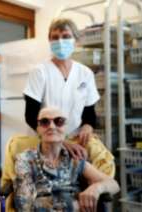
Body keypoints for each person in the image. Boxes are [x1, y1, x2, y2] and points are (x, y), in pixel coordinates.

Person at [14, 106, 119, 212]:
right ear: (38, 129)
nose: (52, 126)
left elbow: (113, 184)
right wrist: (73, 206)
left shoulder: (74, 159)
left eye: (59, 121)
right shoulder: (25, 160)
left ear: (65, 128)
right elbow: (24, 206)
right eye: (45, 122)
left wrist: (96, 188)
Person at [23, 18, 100, 159]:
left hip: (75, 139)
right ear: (49, 41)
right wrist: (60, 140)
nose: (60, 41)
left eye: (66, 37)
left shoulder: (85, 73)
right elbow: (31, 115)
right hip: (45, 140)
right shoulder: (40, 72)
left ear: (76, 41)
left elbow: (89, 113)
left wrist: (88, 126)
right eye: (55, 37)